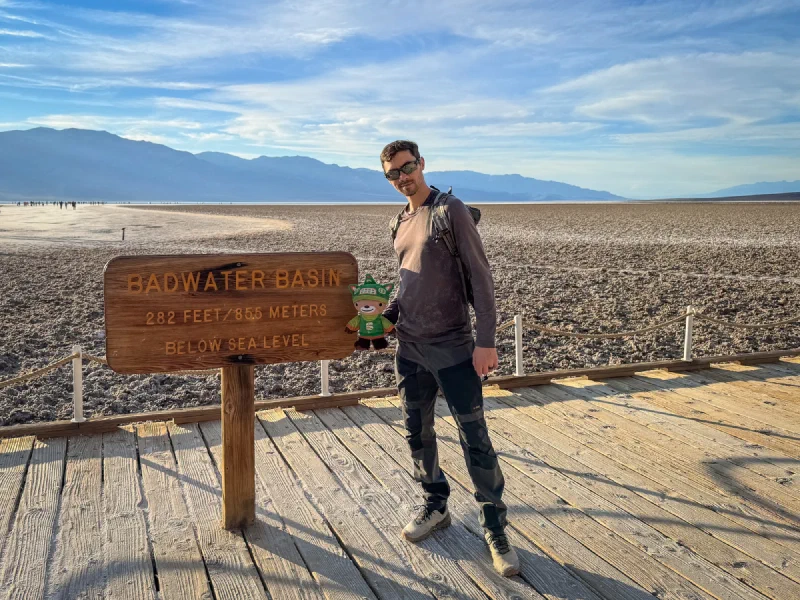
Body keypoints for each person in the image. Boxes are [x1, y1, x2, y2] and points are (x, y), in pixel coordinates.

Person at [380, 140, 519, 576]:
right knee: (417, 432)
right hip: (411, 349)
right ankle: (435, 505)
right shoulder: (398, 222)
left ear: (421, 164)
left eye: (407, 168)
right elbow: (406, 285)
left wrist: (486, 340)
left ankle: (495, 527)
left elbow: (481, 277)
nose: (403, 177)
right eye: (393, 173)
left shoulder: (450, 210)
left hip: (455, 346)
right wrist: (385, 318)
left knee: (474, 436)